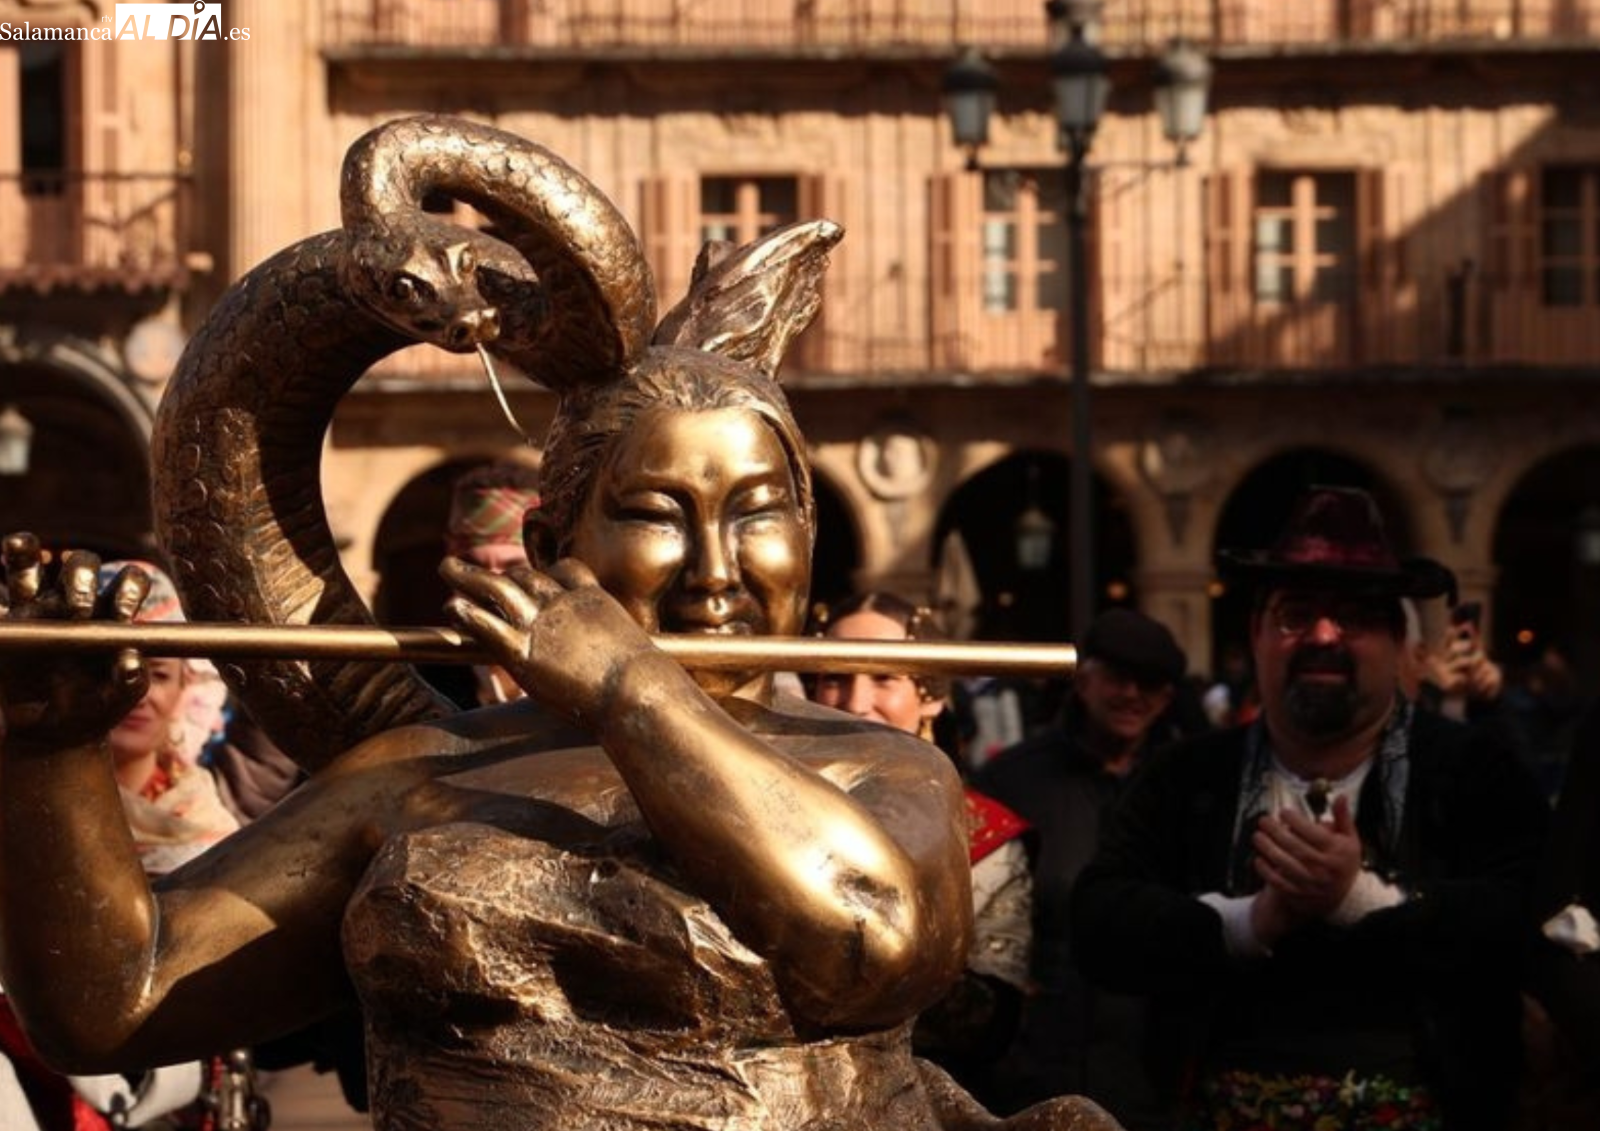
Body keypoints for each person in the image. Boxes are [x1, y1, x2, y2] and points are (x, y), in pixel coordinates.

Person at [0, 214, 1116, 1130]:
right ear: (551, 547)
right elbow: (114, 1005)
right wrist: (46, 757)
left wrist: (631, 692)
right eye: (655, 515)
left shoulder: (875, 769)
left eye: (762, 514)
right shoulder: (419, 771)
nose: (718, 572)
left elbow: (869, 938)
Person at [1070, 485, 1550, 1131]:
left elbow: (1528, 921)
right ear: (1257, 635)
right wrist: (1250, 920)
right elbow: (1100, 924)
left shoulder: (1474, 771)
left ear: (1399, 639)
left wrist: (1359, 898)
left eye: (1353, 615)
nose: (1324, 634)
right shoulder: (1186, 775)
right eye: (1296, 614)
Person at [806, 591, 1033, 1106]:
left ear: (929, 695)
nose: (856, 702)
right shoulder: (762, 806)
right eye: (835, 678)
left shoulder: (984, 836)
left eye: (884, 678)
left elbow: (986, 1022)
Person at [975, 607, 1188, 1127]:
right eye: (1119, 678)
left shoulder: (1190, 782)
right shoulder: (1012, 779)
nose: (1132, 695)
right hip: (1035, 1068)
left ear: (1168, 697)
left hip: (1153, 1069)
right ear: (1085, 679)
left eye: (1151, 684)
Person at [443, 460, 543, 707]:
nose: (490, 582)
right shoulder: (419, 678)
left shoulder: (581, 685)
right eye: (472, 566)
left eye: (513, 568)